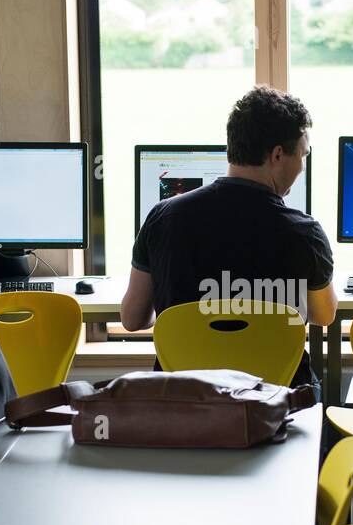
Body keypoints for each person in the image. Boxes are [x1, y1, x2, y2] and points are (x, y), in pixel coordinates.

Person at [120, 85, 337, 391]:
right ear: (277, 155)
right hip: (277, 409)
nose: (303, 165)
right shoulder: (304, 233)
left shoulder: (162, 218)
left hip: (187, 406)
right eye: (303, 155)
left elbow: (132, 319)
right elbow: (324, 315)